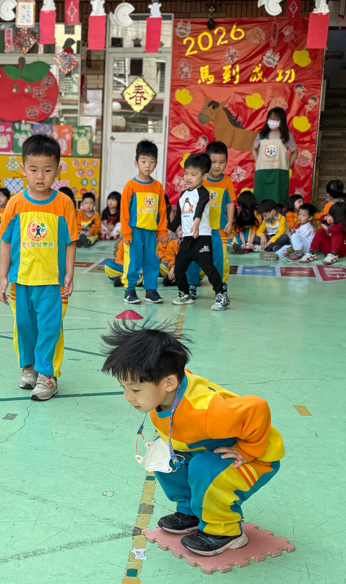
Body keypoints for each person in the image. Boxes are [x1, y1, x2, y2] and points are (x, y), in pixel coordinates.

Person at [101, 321, 285, 556]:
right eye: (123, 387)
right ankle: (191, 512)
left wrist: (248, 450)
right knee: (164, 456)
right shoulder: (166, 393)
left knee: (205, 468)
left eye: (135, 390)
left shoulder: (206, 410)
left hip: (257, 458)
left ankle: (225, 531)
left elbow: (257, 408)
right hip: (205, 445)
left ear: (169, 383)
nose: (128, 397)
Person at [0, 135, 78, 402]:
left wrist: (69, 273)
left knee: (49, 328)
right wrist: (3, 277)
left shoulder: (63, 204)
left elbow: (70, 242)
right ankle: (29, 367)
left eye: (47, 170)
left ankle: (47, 375)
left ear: (58, 169)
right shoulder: (15, 204)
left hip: (51, 283)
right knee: (24, 326)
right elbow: (6, 242)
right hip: (20, 282)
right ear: (23, 169)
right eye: (33, 169)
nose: (40, 176)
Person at [171, 152, 229, 311]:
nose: (188, 178)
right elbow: (179, 217)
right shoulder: (183, 194)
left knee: (209, 268)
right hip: (187, 240)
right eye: (186, 173)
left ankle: (221, 295)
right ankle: (184, 293)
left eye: (193, 174)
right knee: (179, 268)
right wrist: (167, 231)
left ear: (204, 177)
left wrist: (196, 223)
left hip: (201, 238)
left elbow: (200, 208)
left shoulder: (203, 193)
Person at [121, 140, 168, 305]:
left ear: (156, 163)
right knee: (134, 261)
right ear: (136, 163)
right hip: (135, 232)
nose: (148, 165)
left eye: (152, 161)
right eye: (144, 161)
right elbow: (124, 212)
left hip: (151, 233)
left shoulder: (158, 187)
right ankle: (130, 290)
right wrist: (126, 233)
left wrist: (162, 231)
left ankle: (151, 290)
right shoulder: (130, 186)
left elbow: (162, 211)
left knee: (152, 261)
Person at [187, 141, 235, 291]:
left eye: (222, 162)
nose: (217, 166)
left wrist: (230, 221)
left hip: (219, 228)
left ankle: (220, 283)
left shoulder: (227, 182)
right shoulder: (200, 180)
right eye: (213, 162)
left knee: (220, 258)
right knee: (194, 256)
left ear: (226, 162)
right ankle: (192, 283)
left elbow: (230, 203)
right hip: (200, 229)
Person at [252, 106, 296, 206]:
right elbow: (253, 149)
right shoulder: (262, 135)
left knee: (278, 201)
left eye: (276, 119)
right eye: (271, 118)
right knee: (261, 201)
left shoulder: (287, 136)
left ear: (282, 121)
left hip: (279, 173)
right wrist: (257, 162)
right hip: (262, 173)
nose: (273, 121)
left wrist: (288, 165)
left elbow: (295, 151)